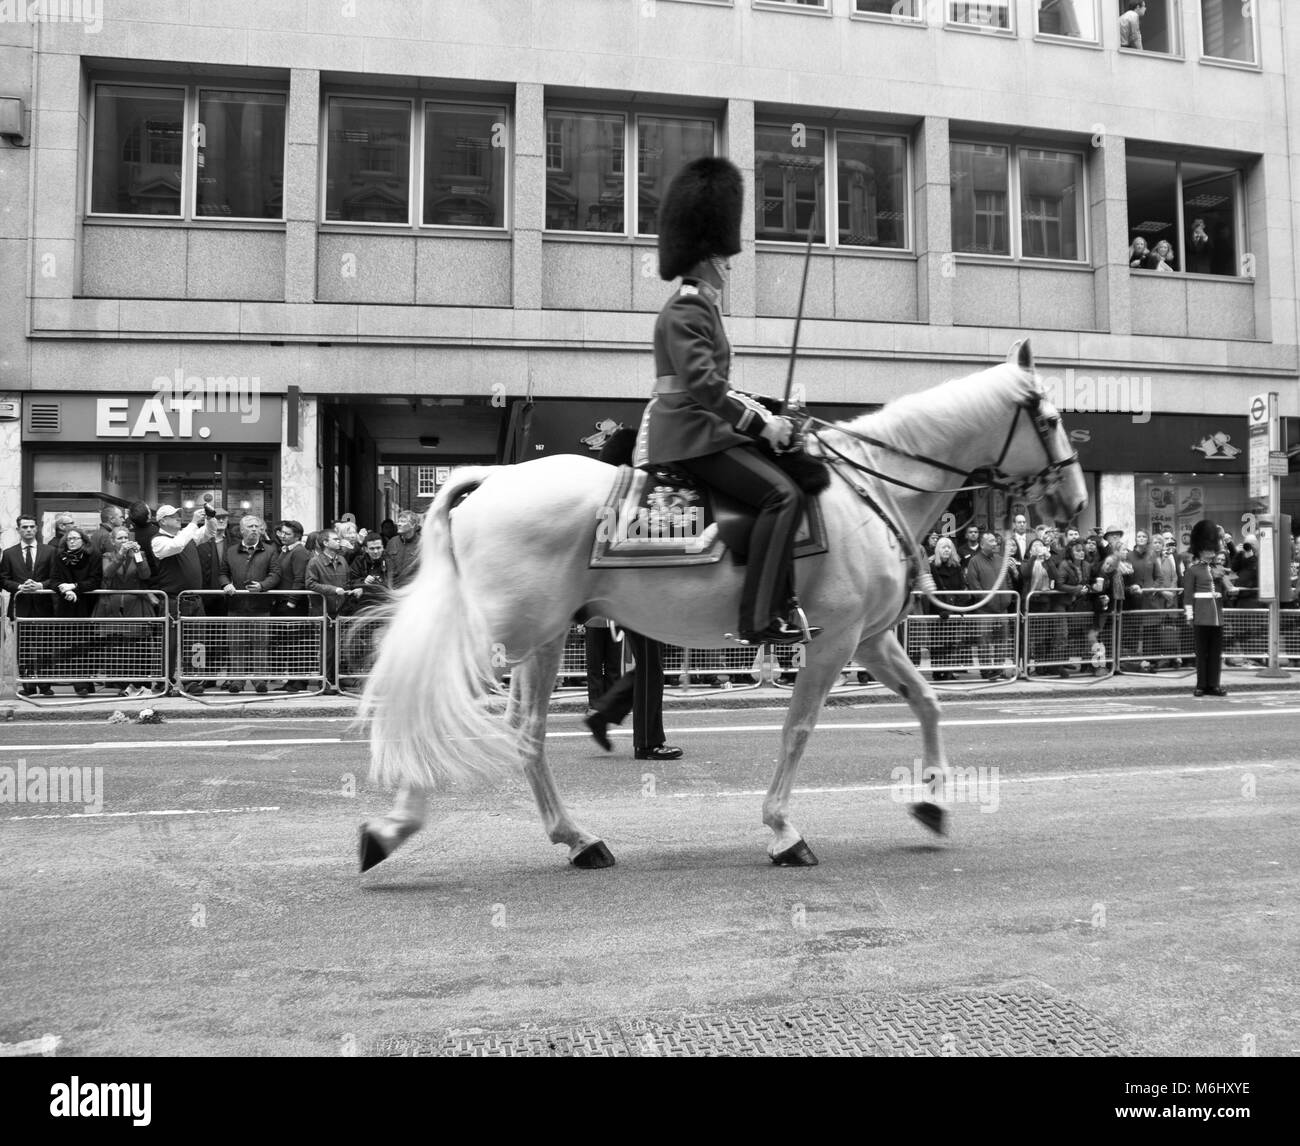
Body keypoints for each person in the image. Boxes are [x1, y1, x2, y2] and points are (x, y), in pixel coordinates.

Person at [632, 156, 818, 646]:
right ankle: (758, 616)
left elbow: (716, 386)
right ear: (711, 257)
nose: (730, 268)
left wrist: (771, 414)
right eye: (726, 261)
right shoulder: (688, 307)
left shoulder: (696, 307)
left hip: (702, 430)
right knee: (783, 495)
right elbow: (705, 386)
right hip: (691, 436)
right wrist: (763, 427)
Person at [582, 427, 682, 760]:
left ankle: (604, 713)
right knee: (652, 667)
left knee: (648, 666)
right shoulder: (628, 504)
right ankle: (648, 742)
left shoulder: (612, 504)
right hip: (639, 594)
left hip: (625, 593)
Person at [152, 504, 212, 695]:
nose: (179, 517)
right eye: (174, 515)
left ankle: (193, 680)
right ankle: (165, 681)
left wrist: (209, 518)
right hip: (173, 600)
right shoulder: (158, 540)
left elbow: (209, 533)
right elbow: (177, 546)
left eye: (179, 515)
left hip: (194, 598)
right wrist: (193, 522)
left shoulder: (187, 535)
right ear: (162, 521)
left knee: (197, 642)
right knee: (169, 643)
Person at [220, 514, 282, 694]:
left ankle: (259, 681)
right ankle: (237, 681)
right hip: (236, 606)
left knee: (260, 645)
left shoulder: (270, 550)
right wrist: (226, 584)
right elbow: (222, 572)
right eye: (250, 526)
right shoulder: (231, 551)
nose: (254, 529)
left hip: (260, 607)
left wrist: (263, 586)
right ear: (241, 531)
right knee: (236, 644)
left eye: (257, 526)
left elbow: (276, 574)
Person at [95, 525, 158, 697]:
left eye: (125, 538)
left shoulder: (140, 554)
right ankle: (123, 683)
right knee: (118, 646)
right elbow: (107, 574)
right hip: (115, 607)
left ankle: (140, 682)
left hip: (136, 605)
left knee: (139, 645)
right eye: (120, 539)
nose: (124, 541)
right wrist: (121, 555)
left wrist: (137, 555)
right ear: (113, 542)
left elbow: (145, 575)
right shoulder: (108, 556)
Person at [3, 514, 57, 695]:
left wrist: (41, 585)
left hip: (43, 607)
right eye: (24, 527)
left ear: (37, 528)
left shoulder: (49, 551)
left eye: (31, 527)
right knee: (23, 648)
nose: (28, 530)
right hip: (21, 608)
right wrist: (19, 587)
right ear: (18, 530)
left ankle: (45, 685)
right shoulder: (9, 553)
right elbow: (3, 579)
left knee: (45, 647)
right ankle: (27, 686)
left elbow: (55, 578)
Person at [50, 527, 102, 696]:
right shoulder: (59, 557)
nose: (71, 541)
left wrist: (75, 587)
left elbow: (95, 580)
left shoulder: (92, 556)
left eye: (75, 538)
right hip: (67, 606)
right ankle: (80, 685)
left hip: (87, 606)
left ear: (83, 540)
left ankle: (86, 682)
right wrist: (65, 590)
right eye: (69, 538)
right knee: (70, 646)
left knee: (85, 646)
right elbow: (54, 580)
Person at [1184, 519, 1229, 697]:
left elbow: (1222, 595)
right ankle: (1201, 684)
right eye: (1208, 549)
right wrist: (1189, 615)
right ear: (1201, 550)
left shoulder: (1218, 570)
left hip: (1216, 615)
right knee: (1201, 653)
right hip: (1201, 615)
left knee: (1215, 652)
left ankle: (1214, 685)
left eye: (1212, 549)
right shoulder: (1192, 570)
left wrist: (1225, 584)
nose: (1211, 552)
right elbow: (1188, 596)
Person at [925, 535, 966, 681]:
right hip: (939, 612)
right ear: (938, 550)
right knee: (937, 644)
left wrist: (959, 608)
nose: (947, 550)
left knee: (951, 643)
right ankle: (938, 671)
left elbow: (961, 588)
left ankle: (948, 670)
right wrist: (942, 609)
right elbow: (933, 591)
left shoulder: (956, 566)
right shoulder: (932, 567)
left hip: (954, 611)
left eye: (949, 547)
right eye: (944, 547)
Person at [386, 510, 422, 590]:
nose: (398, 524)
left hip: (414, 591)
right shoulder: (392, 542)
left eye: (403, 521)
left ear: (413, 525)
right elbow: (388, 570)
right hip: (394, 590)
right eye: (398, 521)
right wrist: (389, 589)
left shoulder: (422, 544)